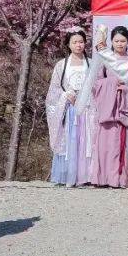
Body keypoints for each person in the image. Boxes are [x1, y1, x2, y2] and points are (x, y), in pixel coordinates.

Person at [81, 25, 128, 188]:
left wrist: (127, 87)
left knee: (123, 144)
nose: (120, 44)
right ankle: (102, 178)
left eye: (123, 40)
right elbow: (96, 83)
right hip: (109, 108)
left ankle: (120, 179)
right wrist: (113, 83)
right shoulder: (105, 60)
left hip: (125, 107)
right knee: (106, 145)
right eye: (116, 41)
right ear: (111, 42)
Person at [46, 28, 92, 187]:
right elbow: (54, 89)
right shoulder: (61, 65)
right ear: (68, 44)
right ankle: (68, 175)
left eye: (81, 42)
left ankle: (85, 175)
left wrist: (87, 96)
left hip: (87, 108)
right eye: (75, 42)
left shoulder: (91, 63)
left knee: (85, 139)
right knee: (70, 140)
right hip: (70, 108)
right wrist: (66, 95)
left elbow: (97, 85)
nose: (79, 45)